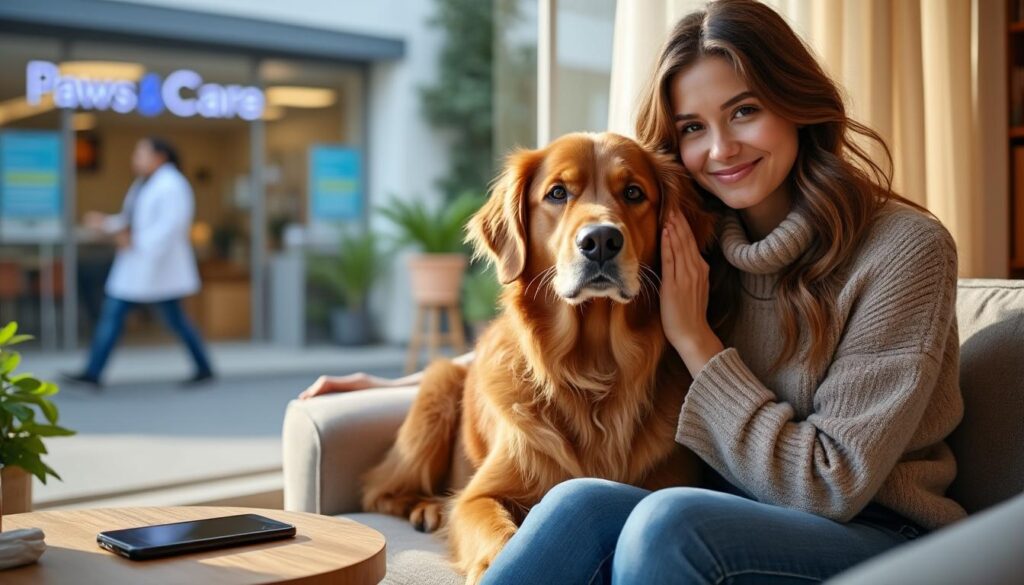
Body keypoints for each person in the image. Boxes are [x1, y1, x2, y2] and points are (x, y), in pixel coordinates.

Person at [300, 1, 966, 582]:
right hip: (737, 510)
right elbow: (549, 346)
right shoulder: (700, 234)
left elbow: (832, 484)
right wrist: (407, 386)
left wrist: (695, 339)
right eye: (693, 128)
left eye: (745, 111)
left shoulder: (904, 251)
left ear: (796, 105)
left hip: (880, 536)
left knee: (667, 520)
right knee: (575, 501)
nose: (721, 148)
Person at [63, 137, 214, 388]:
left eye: (140, 154)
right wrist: (107, 223)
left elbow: (169, 227)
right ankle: (93, 373)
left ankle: (93, 373)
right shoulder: (144, 183)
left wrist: (133, 241)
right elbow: (132, 219)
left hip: (157, 266)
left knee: (171, 320)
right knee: (118, 317)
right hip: (139, 267)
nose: (135, 159)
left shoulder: (172, 184)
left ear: (160, 157)